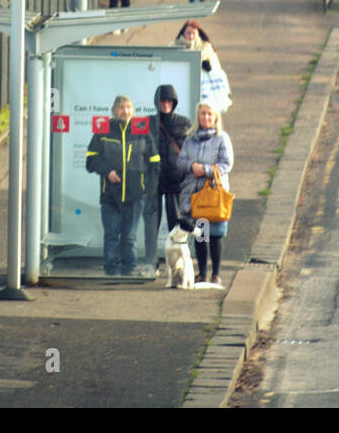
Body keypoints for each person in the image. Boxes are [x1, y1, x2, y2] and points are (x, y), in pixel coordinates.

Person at [85, 95, 160, 275]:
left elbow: (155, 163)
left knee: (129, 237)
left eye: (128, 107)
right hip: (110, 195)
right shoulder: (104, 130)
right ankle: (110, 271)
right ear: (113, 111)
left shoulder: (141, 131)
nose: (124, 111)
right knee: (111, 236)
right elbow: (91, 160)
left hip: (135, 196)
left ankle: (129, 271)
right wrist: (107, 171)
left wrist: (148, 190)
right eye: (120, 107)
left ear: (133, 111)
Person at [176, 101, 233, 285]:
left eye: (209, 114)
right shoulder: (189, 138)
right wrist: (192, 167)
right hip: (195, 194)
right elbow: (181, 161)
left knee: (215, 235)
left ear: (215, 117)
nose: (206, 117)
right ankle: (202, 272)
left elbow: (227, 164)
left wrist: (206, 170)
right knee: (201, 234)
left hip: (215, 194)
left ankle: (216, 273)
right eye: (202, 114)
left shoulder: (222, 138)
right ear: (198, 116)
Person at [149, 83, 192, 266]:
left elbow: (190, 151)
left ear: (174, 102)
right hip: (155, 181)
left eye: (169, 101)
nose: (165, 104)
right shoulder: (148, 122)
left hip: (176, 181)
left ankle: (176, 263)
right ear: (157, 102)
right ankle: (151, 262)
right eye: (162, 101)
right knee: (152, 225)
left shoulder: (184, 123)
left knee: (176, 225)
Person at [173, 19, 232, 114]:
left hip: (203, 87)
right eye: (188, 33)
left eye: (193, 33)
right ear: (183, 33)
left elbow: (217, 67)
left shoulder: (206, 47)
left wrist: (209, 66)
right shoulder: (174, 46)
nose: (191, 36)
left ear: (198, 34)